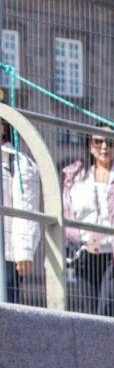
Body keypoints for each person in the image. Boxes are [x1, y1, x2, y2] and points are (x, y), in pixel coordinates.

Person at [61, 134, 114, 317]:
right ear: (90, 146)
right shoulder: (77, 176)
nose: (104, 147)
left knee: (107, 312)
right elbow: (67, 213)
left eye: (110, 142)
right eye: (98, 142)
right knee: (91, 314)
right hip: (84, 253)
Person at [1, 118, 36, 307]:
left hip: (5, 254)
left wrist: (24, 250)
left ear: (4, 127)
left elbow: (26, 206)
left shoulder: (17, 161)